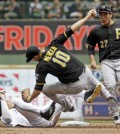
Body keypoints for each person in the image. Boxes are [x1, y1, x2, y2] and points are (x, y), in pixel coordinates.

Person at [22, 9, 120, 125]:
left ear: (35, 56)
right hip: (85, 71)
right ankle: (115, 114)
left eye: (32, 58)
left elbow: (38, 90)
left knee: (45, 89)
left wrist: (28, 99)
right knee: (105, 91)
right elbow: (72, 29)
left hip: (76, 85)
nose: (33, 60)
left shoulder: (41, 65)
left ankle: (71, 103)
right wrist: (87, 17)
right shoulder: (54, 43)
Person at [86, 4, 120, 124]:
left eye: (105, 14)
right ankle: (115, 114)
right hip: (106, 62)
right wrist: (92, 60)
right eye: (101, 14)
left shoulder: (119, 25)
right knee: (110, 86)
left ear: (111, 14)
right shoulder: (96, 30)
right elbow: (90, 47)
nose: (103, 17)